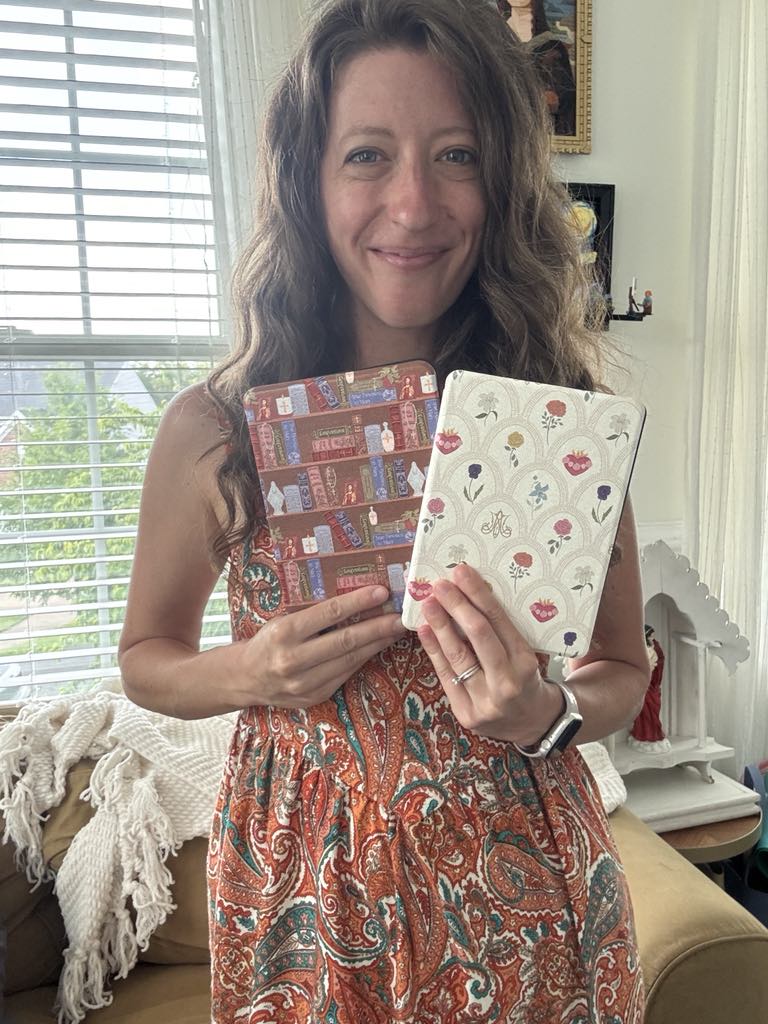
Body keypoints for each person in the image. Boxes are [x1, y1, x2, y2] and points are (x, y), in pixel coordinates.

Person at [118, 1, 650, 1021]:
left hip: (529, 898)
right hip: (307, 908)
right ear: (309, 180)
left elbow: (622, 669)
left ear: (500, 184)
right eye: (367, 154)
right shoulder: (214, 428)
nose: (413, 204)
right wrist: (251, 670)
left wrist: (547, 716)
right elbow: (146, 656)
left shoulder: (556, 422)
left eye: (456, 155)